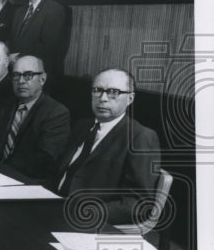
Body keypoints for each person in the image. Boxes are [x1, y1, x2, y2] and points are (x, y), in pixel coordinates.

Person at [54, 68, 161, 223]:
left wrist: (83, 213)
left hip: (89, 220)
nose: (103, 98)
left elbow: (137, 204)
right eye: (97, 90)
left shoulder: (141, 137)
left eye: (113, 92)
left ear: (130, 98)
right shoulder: (82, 126)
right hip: (53, 204)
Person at [0, 55, 70, 179]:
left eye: (28, 75)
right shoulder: (7, 106)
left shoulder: (57, 113)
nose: (21, 81)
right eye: (16, 75)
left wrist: (0, 171)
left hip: (29, 181)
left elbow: (43, 160)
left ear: (42, 79)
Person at [10, 0, 68, 80]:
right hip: (18, 71)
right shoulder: (19, 11)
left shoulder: (55, 9)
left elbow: (49, 46)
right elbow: (13, 40)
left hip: (41, 73)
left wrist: (18, 57)